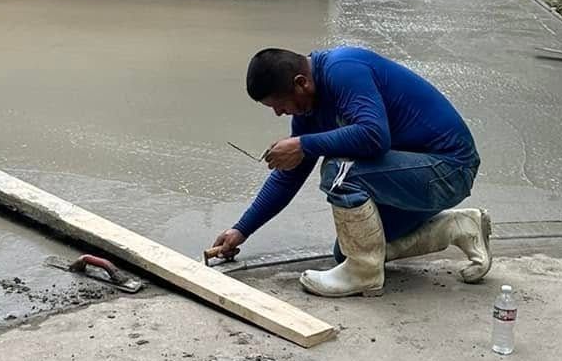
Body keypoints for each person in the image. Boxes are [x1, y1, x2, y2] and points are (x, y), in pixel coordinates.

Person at [206, 46, 492, 299]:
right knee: (348, 250)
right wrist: (241, 230)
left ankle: (364, 276)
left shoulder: (343, 70)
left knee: (338, 170)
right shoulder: (308, 108)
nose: (279, 113)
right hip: (421, 176)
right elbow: (289, 175)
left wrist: (304, 144)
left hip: (449, 169)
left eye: (279, 105)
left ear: (301, 83)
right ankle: (459, 227)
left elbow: (375, 136)